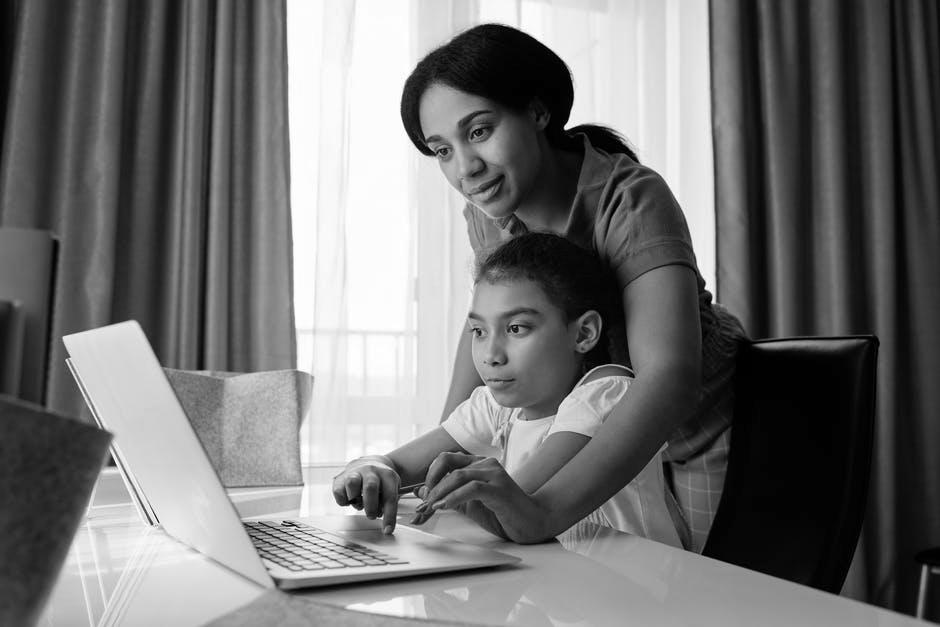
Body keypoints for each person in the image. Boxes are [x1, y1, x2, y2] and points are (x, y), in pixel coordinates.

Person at [394, 23, 748, 552]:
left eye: (478, 132)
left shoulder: (630, 198)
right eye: (441, 150)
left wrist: (545, 511)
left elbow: (669, 377)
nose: (465, 168)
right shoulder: (488, 212)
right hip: (590, 426)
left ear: (538, 112)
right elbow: (485, 331)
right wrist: (442, 465)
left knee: (703, 597)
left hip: (697, 426)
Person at [332, 232, 684, 548]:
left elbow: (517, 508)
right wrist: (368, 469)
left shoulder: (606, 393)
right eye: (479, 332)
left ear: (583, 333)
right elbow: (397, 464)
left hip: (631, 595)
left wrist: (443, 486)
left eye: (516, 328)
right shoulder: (497, 408)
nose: (491, 356)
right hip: (560, 591)